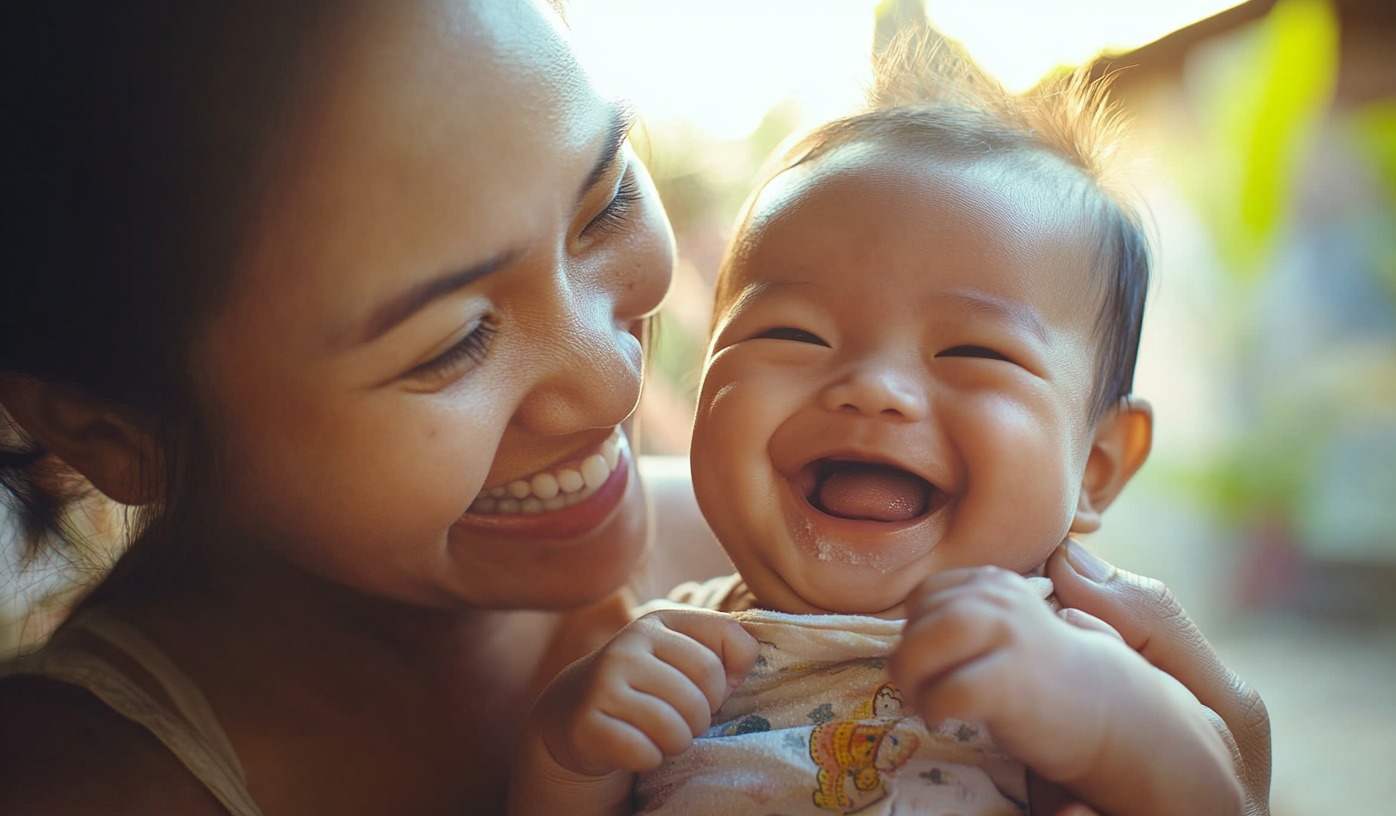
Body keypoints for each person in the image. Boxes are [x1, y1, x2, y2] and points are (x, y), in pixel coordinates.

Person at [0, 2, 1269, 815]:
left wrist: (1168, 759)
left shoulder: (969, 607)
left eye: (607, 199)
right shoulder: (86, 780)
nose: (617, 383)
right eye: (453, 341)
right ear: (107, 431)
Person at [508, 32, 1253, 816]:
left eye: (973, 350)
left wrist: (1114, 720)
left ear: (1097, 465)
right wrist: (565, 756)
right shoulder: (671, 647)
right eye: (792, 335)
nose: (874, 387)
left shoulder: (1064, 660)